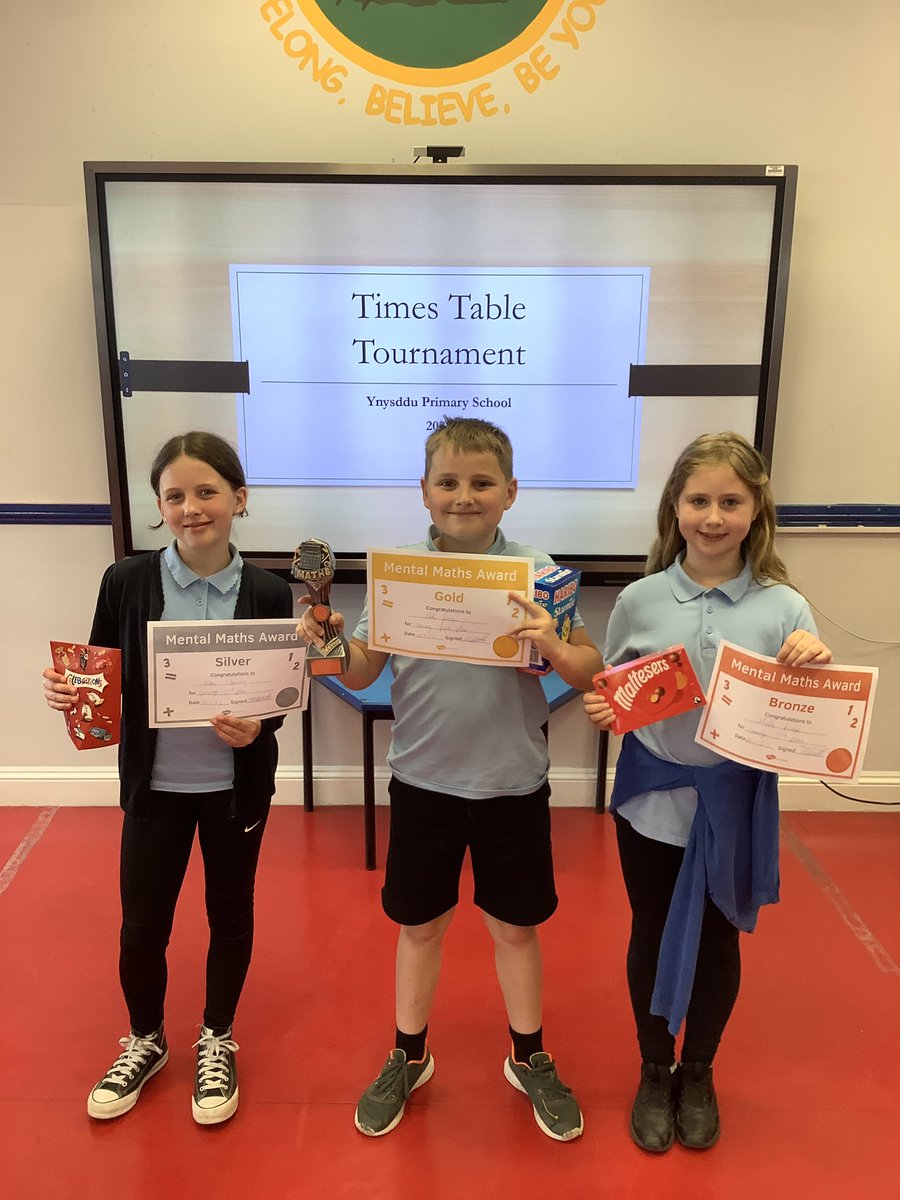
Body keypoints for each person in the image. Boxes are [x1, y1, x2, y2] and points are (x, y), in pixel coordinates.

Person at [298, 417, 603, 1141]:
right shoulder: (399, 571)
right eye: (448, 482)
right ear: (425, 492)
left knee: (516, 928)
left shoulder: (540, 571)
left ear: (510, 492)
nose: (464, 496)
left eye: (481, 482)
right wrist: (328, 635)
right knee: (420, 925)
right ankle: (410, 1053)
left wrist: (555, 643)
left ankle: (528, 1056)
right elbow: (364, 669)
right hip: (425, 783)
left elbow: (590, 668)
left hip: (512, 784)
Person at [583, 432, 832, 1153]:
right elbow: (617, 686)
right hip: (653, 800)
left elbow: (806, 706)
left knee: (721, 939)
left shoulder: (785, 606)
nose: (713, 516)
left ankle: (700, 1070)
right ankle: (654, 1068)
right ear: (675, 508)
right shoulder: (640, 598)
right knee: (652, 931)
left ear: (756, 510)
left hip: (734, 805)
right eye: (699, 500)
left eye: (731, 501)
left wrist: (812, 663)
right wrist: (607, 706)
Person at [42, 432, 293, 1125]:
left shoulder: (271, 591)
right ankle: (146, 1039)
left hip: (234, 791)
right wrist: (73, 695)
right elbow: (99, 674)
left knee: (229, 913)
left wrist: (259, 727)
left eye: (207, 491)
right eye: (175, 495)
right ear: (158, 506)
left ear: (239, 499)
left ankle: (217, 1037)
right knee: (141, 926)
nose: (192, 507)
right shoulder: (126, 580)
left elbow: (276, 700)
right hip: (155, 789)